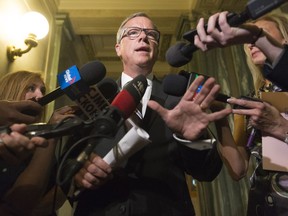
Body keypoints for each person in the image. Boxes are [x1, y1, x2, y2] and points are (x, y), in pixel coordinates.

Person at [64, 12, 231, 216]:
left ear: (156, 48)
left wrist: (193, 139)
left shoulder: (179, 101)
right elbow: (65, 166)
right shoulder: (93, 98)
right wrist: (78, 173)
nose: (143, 37)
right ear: (118, 48)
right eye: (133, 33)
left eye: (151, 34)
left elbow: (208, 172)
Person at [195, 13, 288, 215]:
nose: (250, 44)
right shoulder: (248, 100)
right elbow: (238, 169)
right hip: (262, 206)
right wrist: (219, 116)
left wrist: (280, 127)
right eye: (246, 41)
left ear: (284, 39)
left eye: (258, 35)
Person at [0, 71, 77, 215]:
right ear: (12, 90)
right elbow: (20, 204)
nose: (40, 96)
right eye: (31, 88)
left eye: (43, 90)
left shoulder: (38, 140)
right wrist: (51, 132)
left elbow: (52, 201)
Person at [194, 11, 288, 90]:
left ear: (285, 38)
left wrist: (257, 37)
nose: (251, 44)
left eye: (264, 33)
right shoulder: (254, 98)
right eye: (248, 40)